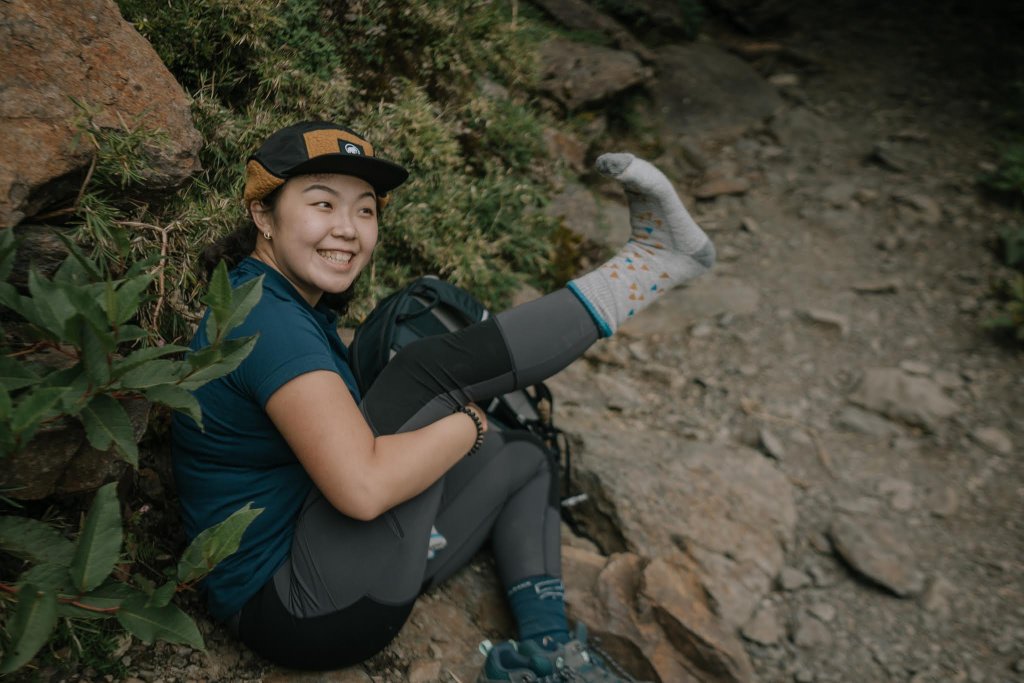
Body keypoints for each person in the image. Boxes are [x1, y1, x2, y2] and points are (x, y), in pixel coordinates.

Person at [171, 121, 715, 681]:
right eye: (322, 204)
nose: (348, 229)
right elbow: (361, 490)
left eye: (364, 210)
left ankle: (550, 652)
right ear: (263, 214)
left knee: (523, 460)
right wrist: (465, 427)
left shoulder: (275, 301)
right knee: (423, 370)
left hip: (339, 581)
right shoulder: (267, 318)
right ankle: (651, 261)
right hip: (296, 608)